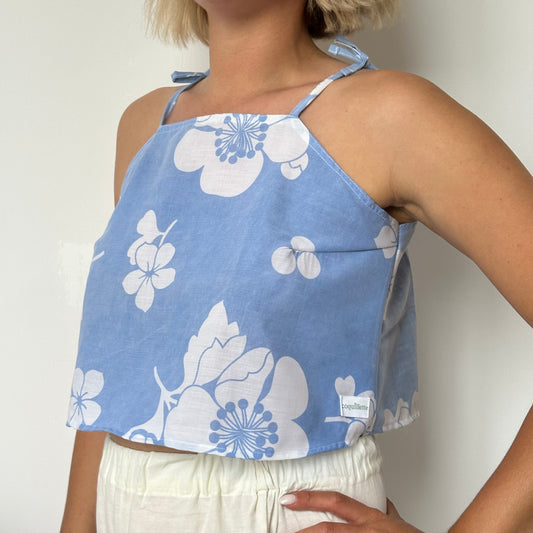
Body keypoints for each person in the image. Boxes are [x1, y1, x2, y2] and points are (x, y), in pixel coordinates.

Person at [60, 0, 533, 532]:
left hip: (291, 509)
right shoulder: (145, 126)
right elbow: (116, 373)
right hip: (124, 500)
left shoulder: (391, 114)